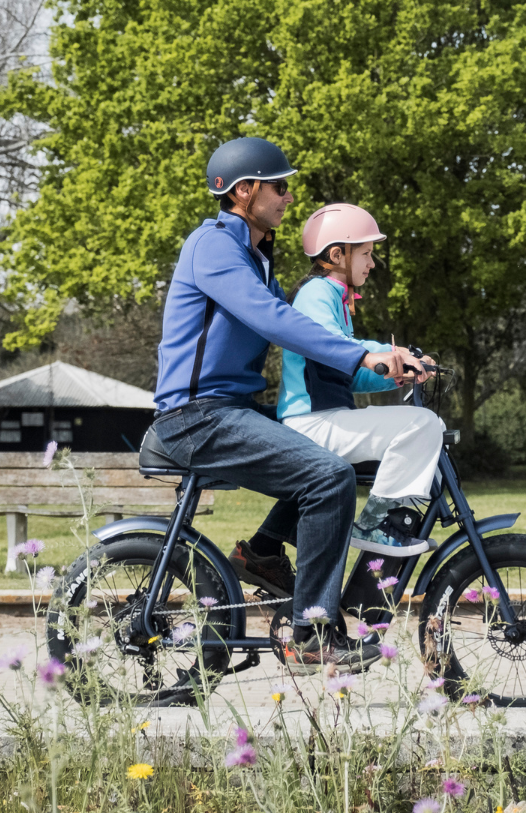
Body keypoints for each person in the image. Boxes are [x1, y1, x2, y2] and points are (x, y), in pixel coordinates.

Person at [152, 137, 419, 674]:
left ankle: (268, 555)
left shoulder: (254, 258)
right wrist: (360, 356)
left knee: (321, 472)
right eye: (279, 186)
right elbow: (276, 322)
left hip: (227, 413)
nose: (288, 196)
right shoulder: (213, 246)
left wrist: (376, 357)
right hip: (196, 417)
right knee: (329, 476)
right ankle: (312, 631)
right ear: (243, 191)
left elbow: (294, 328)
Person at [273, 203, 445, 556]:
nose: (372, 263)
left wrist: (401, 375)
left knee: (428, 424)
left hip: (325, 418)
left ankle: (390, 524)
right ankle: (376, 525)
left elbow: (350, 375)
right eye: (366, 253)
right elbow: (337, 346)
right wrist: (391, 355)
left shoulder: (334, 297)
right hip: (312, 422)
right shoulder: (316, 293)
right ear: (337, 254)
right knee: (423, 423)